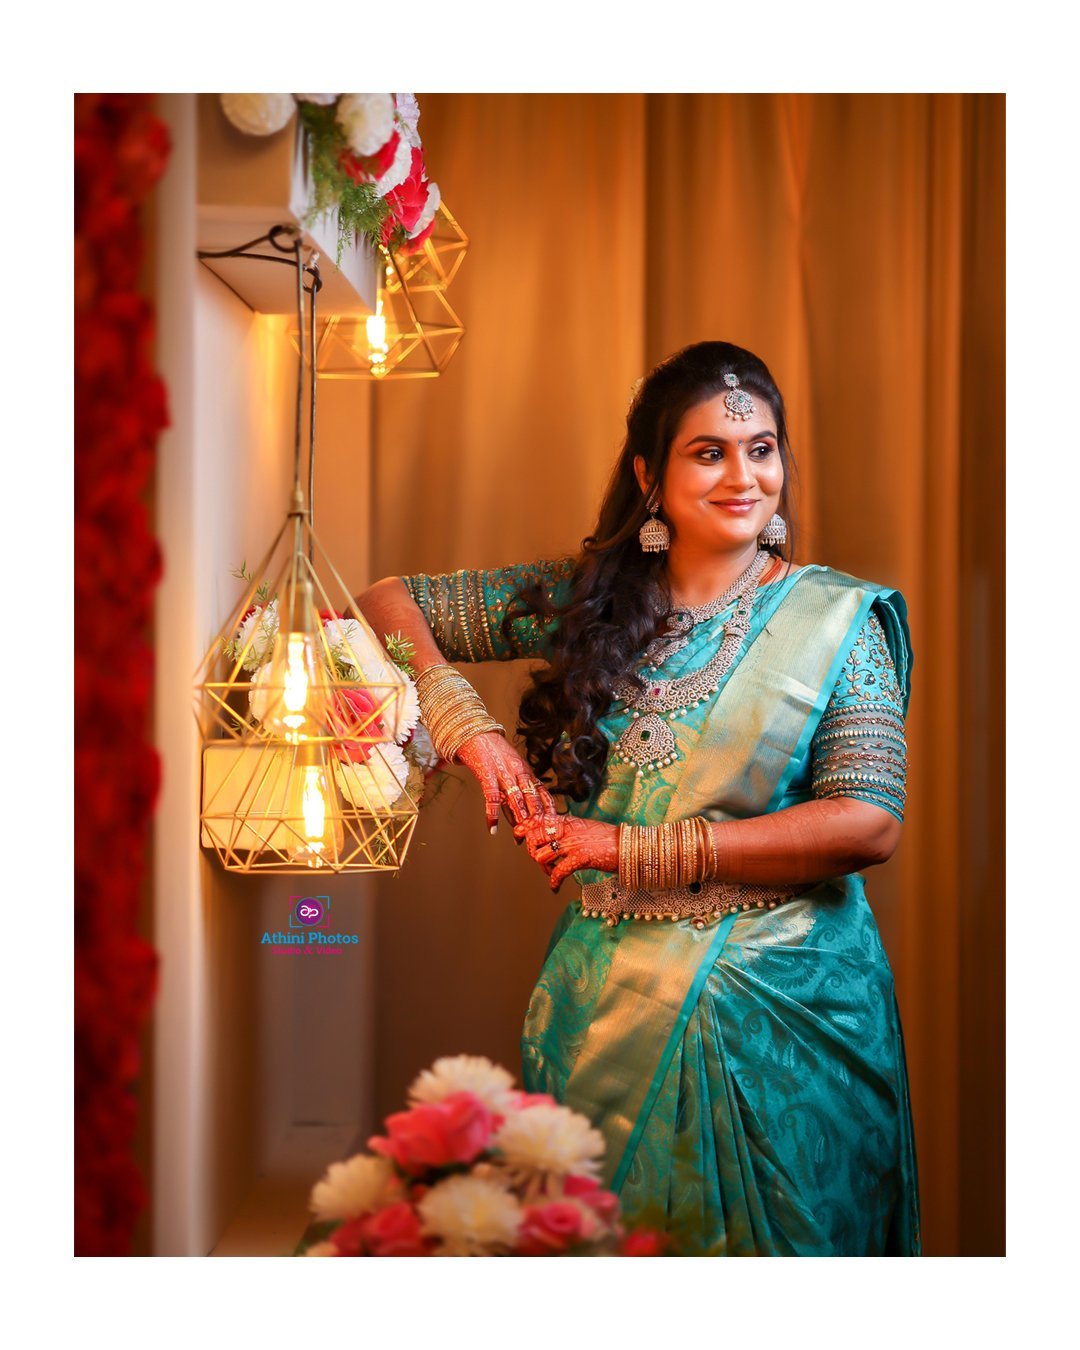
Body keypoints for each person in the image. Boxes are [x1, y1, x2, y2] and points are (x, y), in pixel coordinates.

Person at [356, 340, 921, 1257]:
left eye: (763, 449)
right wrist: (468, 726)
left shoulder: (838, 624)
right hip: (603, 1005)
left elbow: (867, 824)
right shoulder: (592, 602)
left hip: (786, 1019)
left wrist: (630, 850)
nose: (746, 476)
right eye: (711, 452)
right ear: (650, 476)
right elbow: (385, 600)